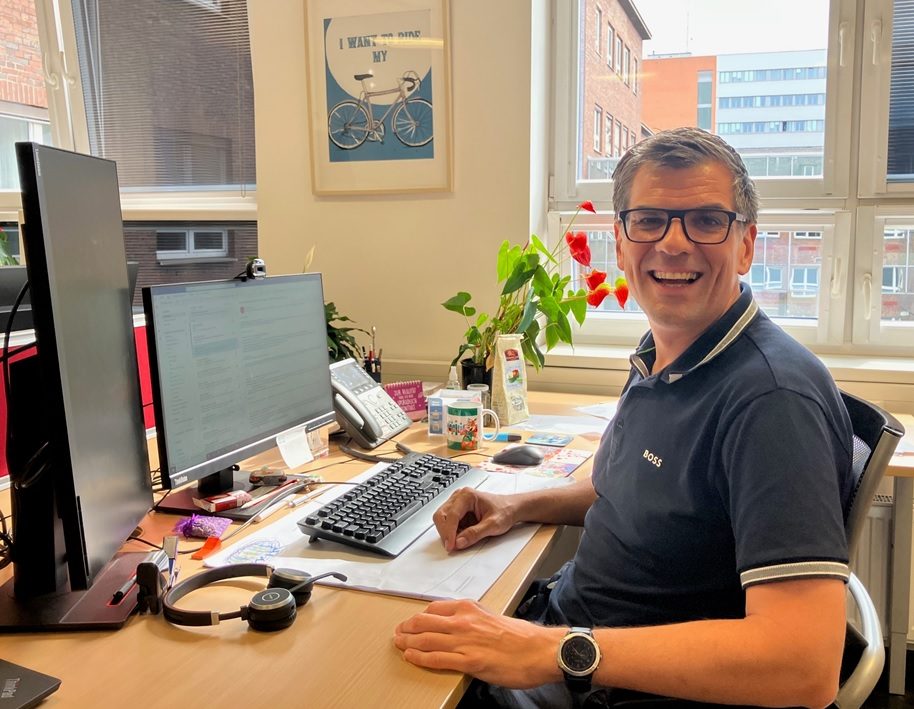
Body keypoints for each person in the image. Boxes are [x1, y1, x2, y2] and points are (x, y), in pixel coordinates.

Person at [394, 126, 855, 708]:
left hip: (609, 685)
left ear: (745, 245)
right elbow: (630, 489)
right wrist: (517, 505)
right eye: (649, 220)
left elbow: (804, 664)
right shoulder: (664, 351)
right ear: (620, 241)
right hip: (569, 636)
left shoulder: (772, 400)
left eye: (707, 221)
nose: (674, 243)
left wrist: (551, 650)